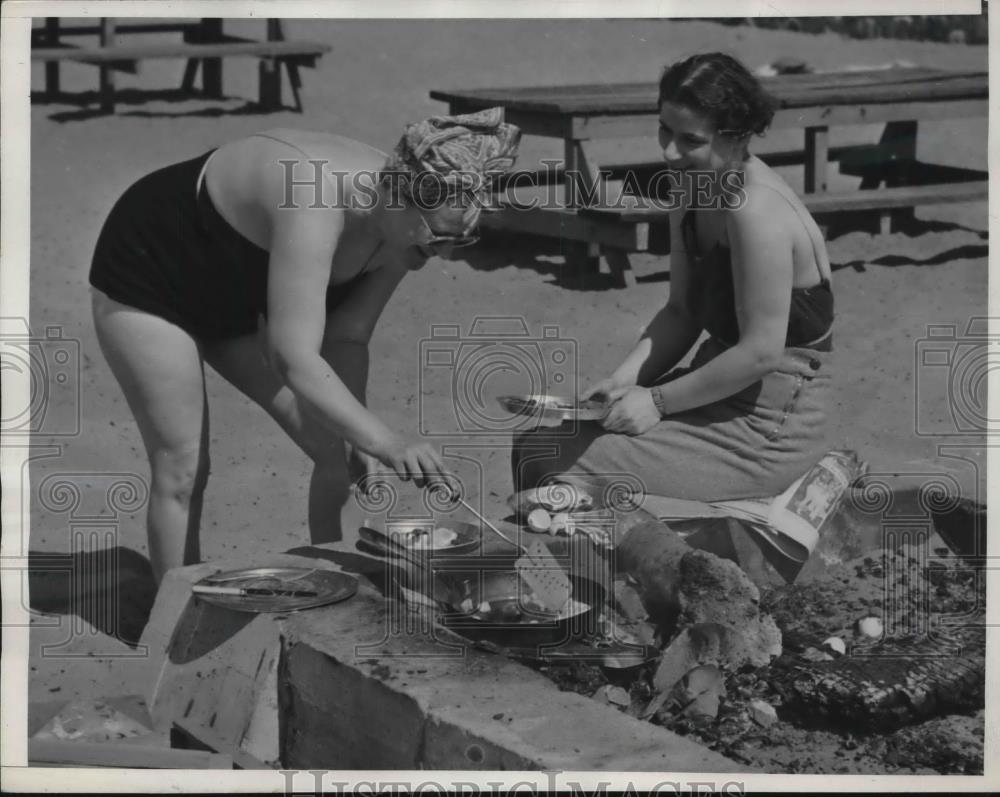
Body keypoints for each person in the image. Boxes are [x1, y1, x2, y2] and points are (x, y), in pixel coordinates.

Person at [90, 109, 521, 582]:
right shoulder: (314, 198)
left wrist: (365, 439)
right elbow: (291, 357)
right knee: (183, 466)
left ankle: (341, 583)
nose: (445, 254)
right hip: (157, 271)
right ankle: (171, 620)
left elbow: (347, 336)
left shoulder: (405, 224)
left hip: (241, 293)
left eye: (459, 241)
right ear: (399, 197)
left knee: (340, 447)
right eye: (438, 239)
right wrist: (386, 439)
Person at [512, 53, 835, 503]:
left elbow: (761, 354)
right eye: (665, 129)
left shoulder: (755, 212)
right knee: (540, 440)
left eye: (690, 139)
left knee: (549, 456)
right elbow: (682, 310)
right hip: (713, 386)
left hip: (765, 429)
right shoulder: (692, 184)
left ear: (736, 136)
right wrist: (623, 381)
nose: (668, 151)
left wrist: (657, 401)